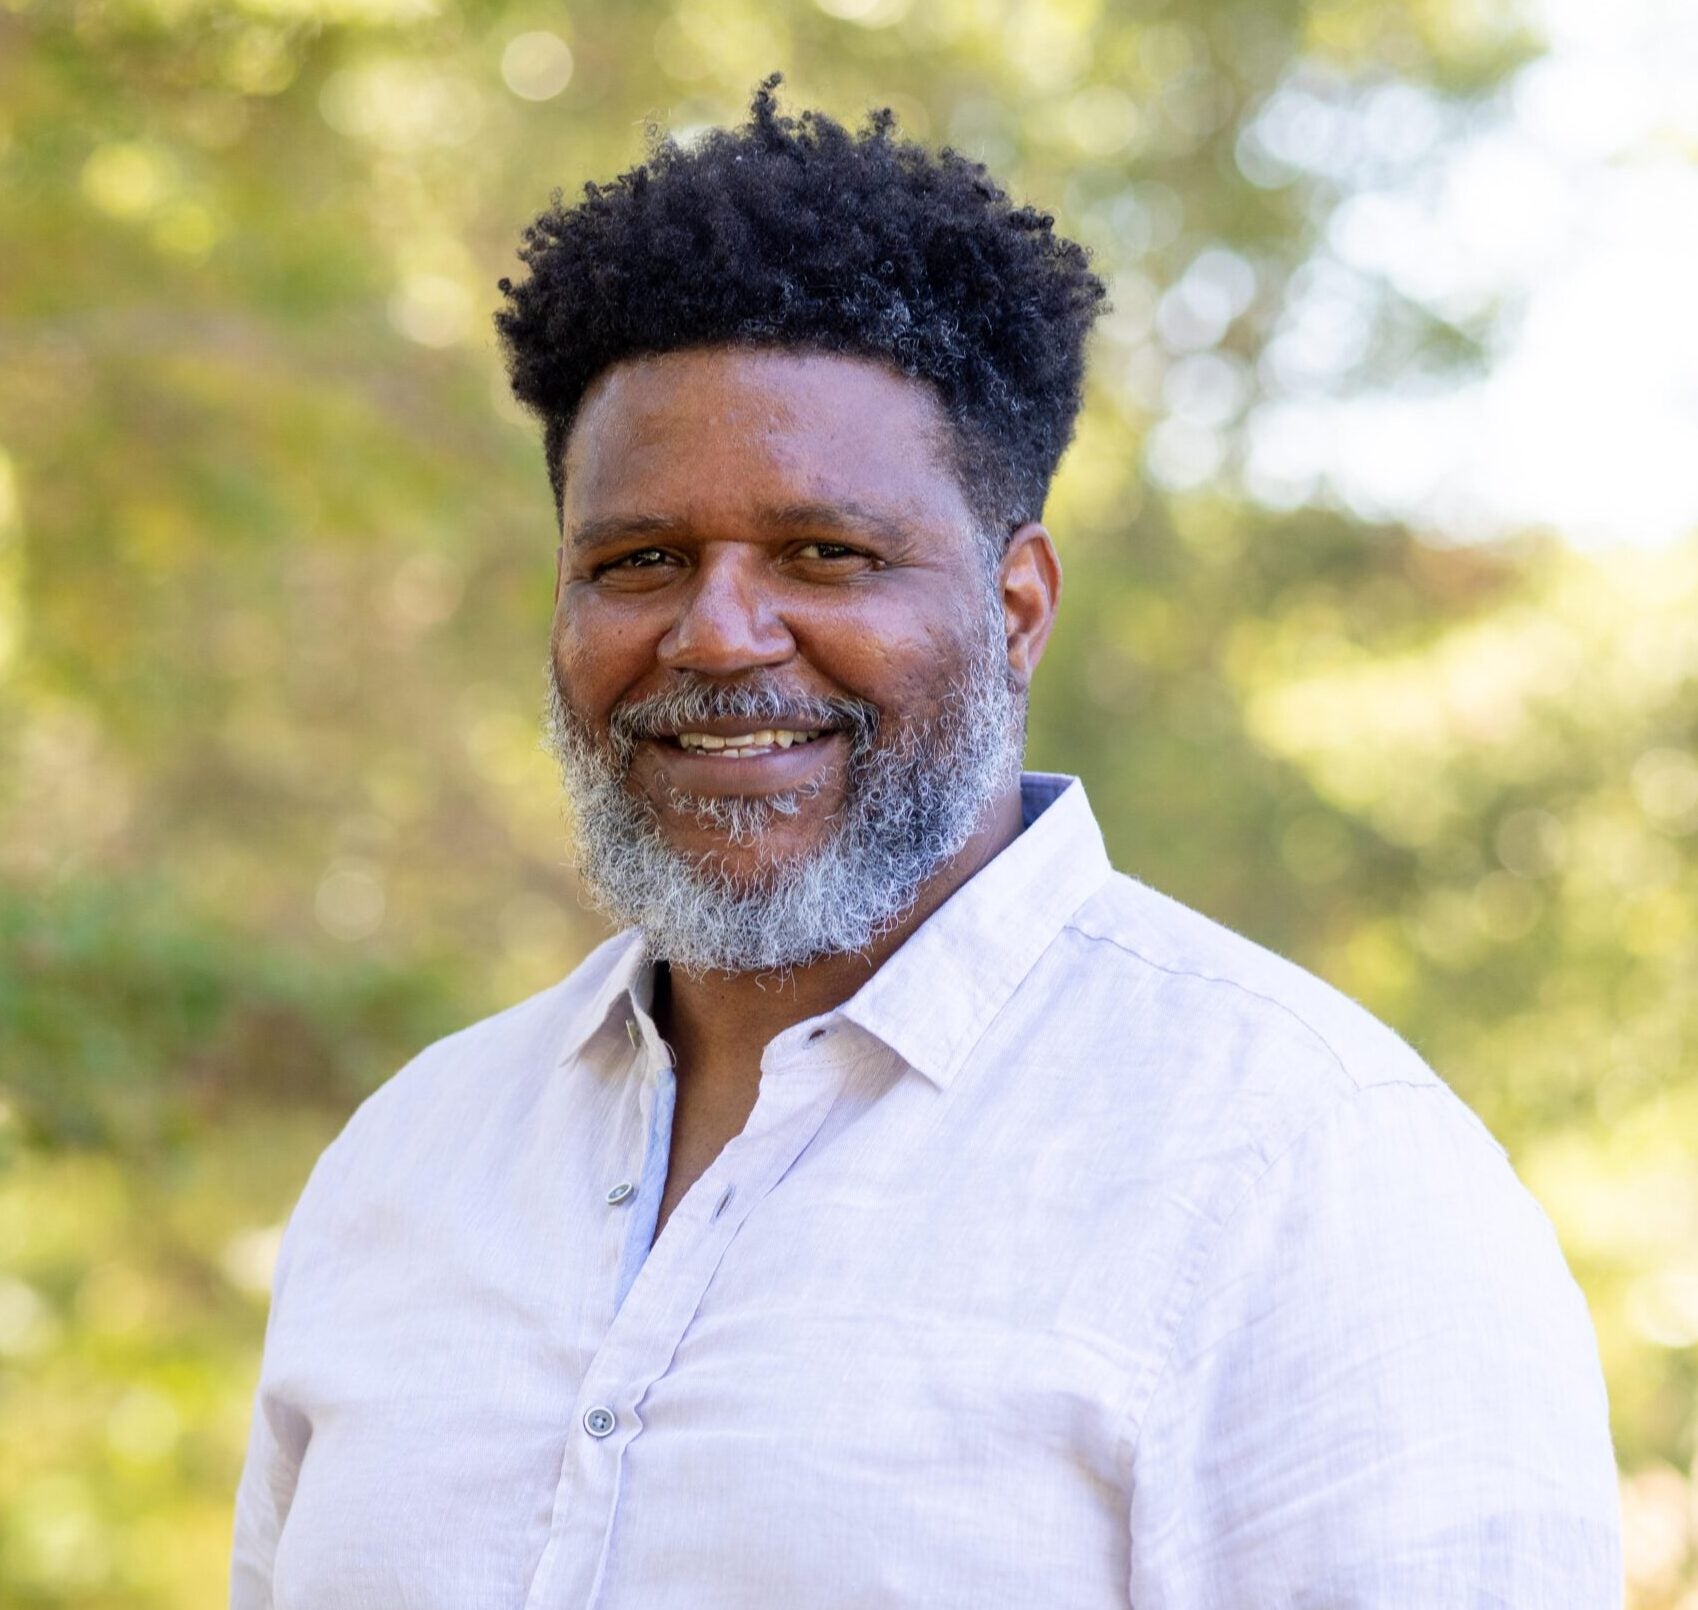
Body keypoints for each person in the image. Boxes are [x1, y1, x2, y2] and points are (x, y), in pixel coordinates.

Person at [230, 80, 1621, 1608]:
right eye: (640, 561)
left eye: (825, 552)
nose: (717, 631)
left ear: (1015, 606)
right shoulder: (409, 1161)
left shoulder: (1306, 1167)